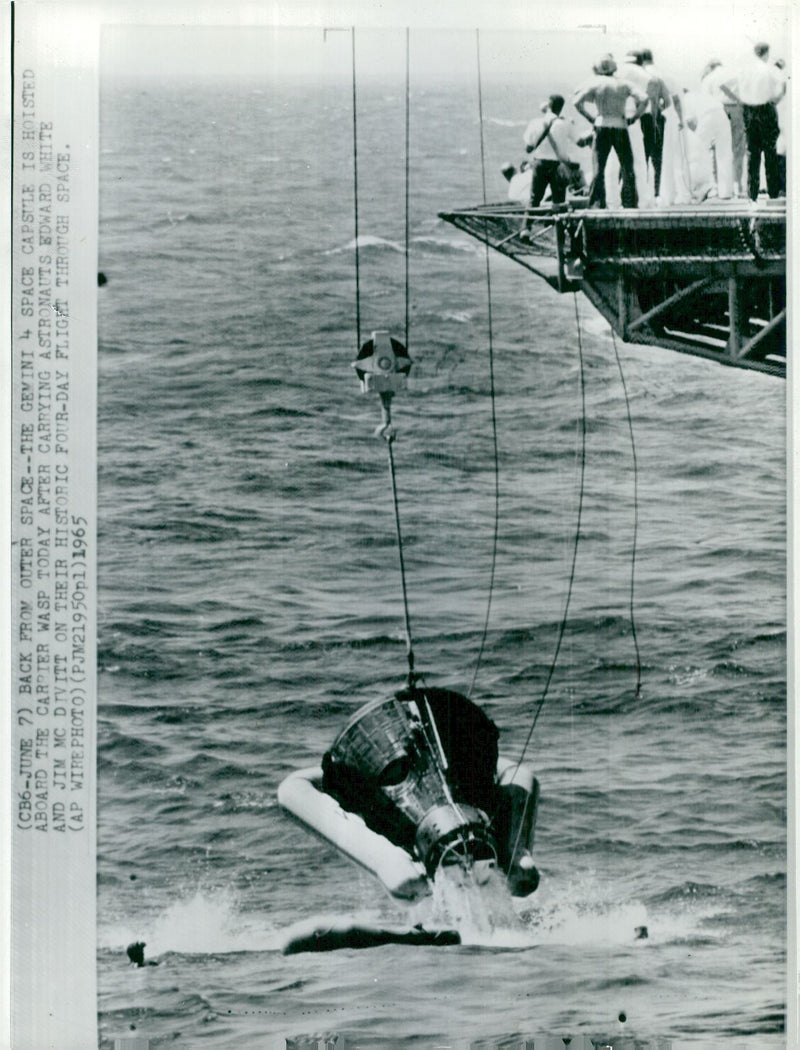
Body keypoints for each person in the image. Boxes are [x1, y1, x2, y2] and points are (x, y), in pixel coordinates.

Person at [573, 55, 648, 208]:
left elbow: (576, 101)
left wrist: (590, 118)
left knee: (598, 168)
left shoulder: (595, 83)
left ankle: (597, 203)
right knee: (627, 167)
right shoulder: (624, 83)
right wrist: (635, 117)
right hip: (620, 125)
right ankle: (629, 203)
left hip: (602, 125)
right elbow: (644, 98)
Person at [737, 42, 785, 201]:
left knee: (752, 153)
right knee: (770, 151)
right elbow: (782, 87)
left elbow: (736, 89)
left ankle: (752, 195)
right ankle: (773, 192)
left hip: (748, 110)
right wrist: (775, 100)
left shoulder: (744, 69)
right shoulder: (769, 69)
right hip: (766, 109)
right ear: (766, 53)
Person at [522, 94, 582, 208]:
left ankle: (529, 219)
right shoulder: (566, 123)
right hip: (558, 166)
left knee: (534, 199)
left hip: (539, 164)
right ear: (561, 108)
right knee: (559, 202)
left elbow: (528, 149)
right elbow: (580, 142)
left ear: (548, 106)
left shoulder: (535, 122)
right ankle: (557, 220)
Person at [627, 49, 671, 196]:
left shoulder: (633, 77)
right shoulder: (656, 78)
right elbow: (668, 101)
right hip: (656, 120)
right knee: (657, 159)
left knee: (638, 158)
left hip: (638, 118)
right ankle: (656, 192)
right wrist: (658, 108)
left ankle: (637, 192)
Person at [701, 59, 746, 196]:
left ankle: (717, 185)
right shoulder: (734, 73)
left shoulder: (708, 78)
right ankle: (737, 184)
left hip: (717, 110)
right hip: (736, 109)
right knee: (738, 148)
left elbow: (705, 100)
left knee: (715, 148)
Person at [681, 87, 734, 200]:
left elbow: (689, 122)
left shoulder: (684, 99)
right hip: (722, 115)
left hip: (707, 117)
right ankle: (725, 192)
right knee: (724, 155)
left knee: (698, 153)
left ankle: (702, 188)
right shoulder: (700, 95)